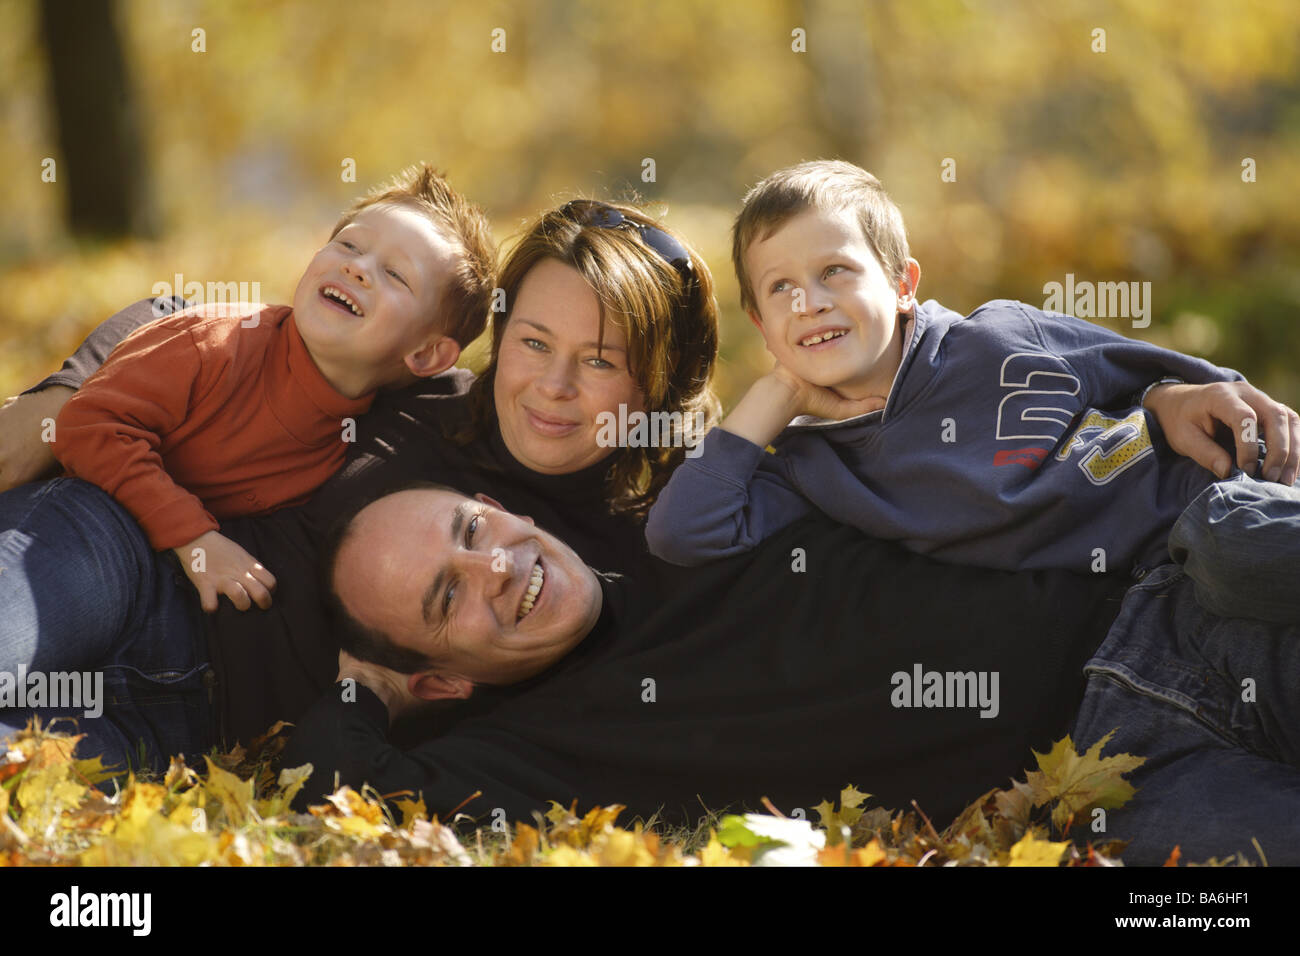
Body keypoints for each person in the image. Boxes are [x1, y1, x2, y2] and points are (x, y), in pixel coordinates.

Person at [0, 196, 721, 769]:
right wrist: (61, 397)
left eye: (599, 362)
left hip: (193, 732)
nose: (552, 387)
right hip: (128, 565)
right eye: (533, 343)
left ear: (657, 386)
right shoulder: (425, 393)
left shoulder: (634, 551)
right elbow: (206, 328)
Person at [285, 484, 1300, 865]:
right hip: (1123, 773)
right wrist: (354, 685)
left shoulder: (691, 502)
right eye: (444, 597)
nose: (497, 565)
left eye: (474, 529)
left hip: (1178, 601)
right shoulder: (529, 755)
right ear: (440, 680)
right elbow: (343, 796)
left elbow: (955, 371)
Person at [645, 160, 1300, 623]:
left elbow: (1188, 381)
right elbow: (680, 533)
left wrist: (1175, 398)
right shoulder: (813, 465)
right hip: (1145, 603)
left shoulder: (999, 336)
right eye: (780, 289)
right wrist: (775, 397)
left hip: (1203, 499)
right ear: (760, 324)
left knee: (1239, 548)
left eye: (834, 271)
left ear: (903, 284)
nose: (809, 302)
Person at [49, 164, 493, 613]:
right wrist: (196, 540)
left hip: (142, 581)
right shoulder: (215, 344)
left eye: (396, 274)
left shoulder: (356, 440)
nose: (356, 267)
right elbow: (86, 425)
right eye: (348, 244)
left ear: (428, 355)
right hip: (63, 518)